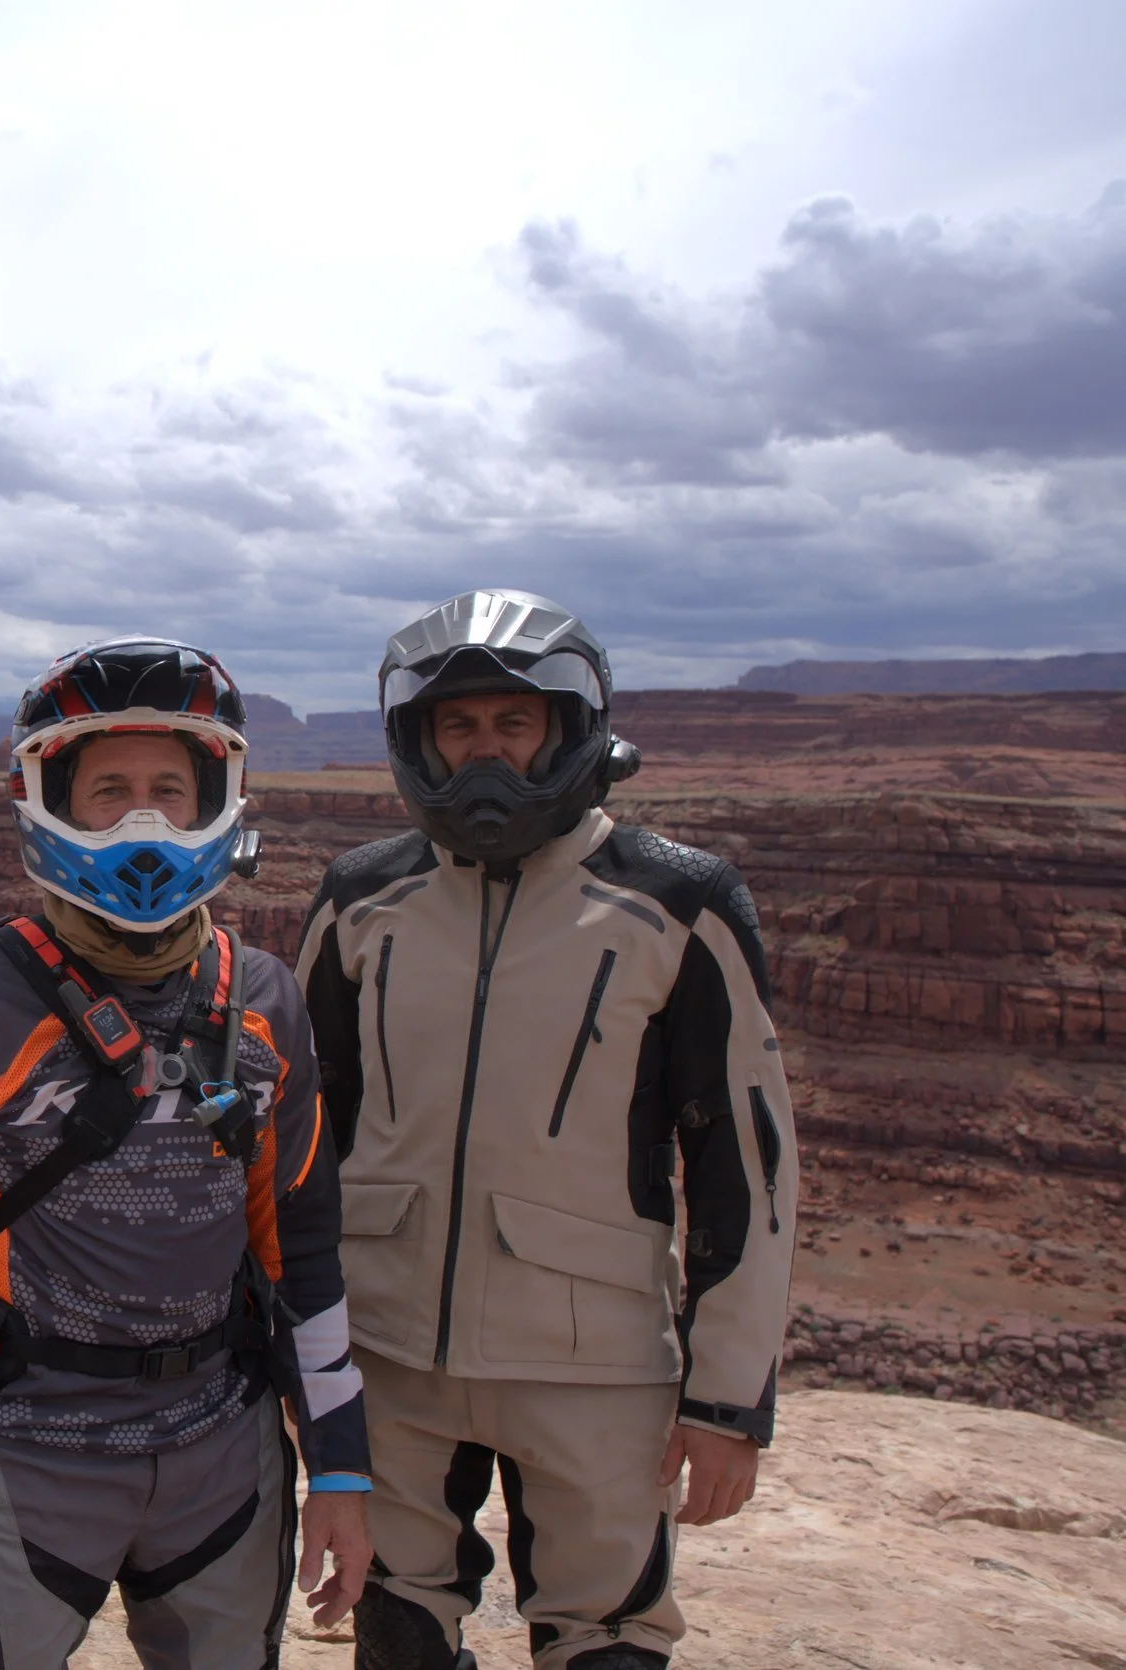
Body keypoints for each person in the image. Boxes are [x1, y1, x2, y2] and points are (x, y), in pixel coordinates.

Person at [0, 638, 373, 1670]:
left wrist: (338, 1468)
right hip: (21, 1454)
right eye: (107, 789)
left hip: (222, 1449)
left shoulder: (262, 999)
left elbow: (300, 1242)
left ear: (220, 798)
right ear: (48, 804)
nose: (144, 819)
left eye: (171, 787)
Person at [294, 590, 798, 1670]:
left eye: (511, 724)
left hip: (593, 1365)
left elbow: (743, 1166)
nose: (485, 754)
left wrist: (725, 1399)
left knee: (607, 1635)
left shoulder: (676, 901)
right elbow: (303, 1140)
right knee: (396, 1624)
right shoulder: (359, 898)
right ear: (416, 739)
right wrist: (296, 1352)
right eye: (458, 726)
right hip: (389, 1352)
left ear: (566, 730)